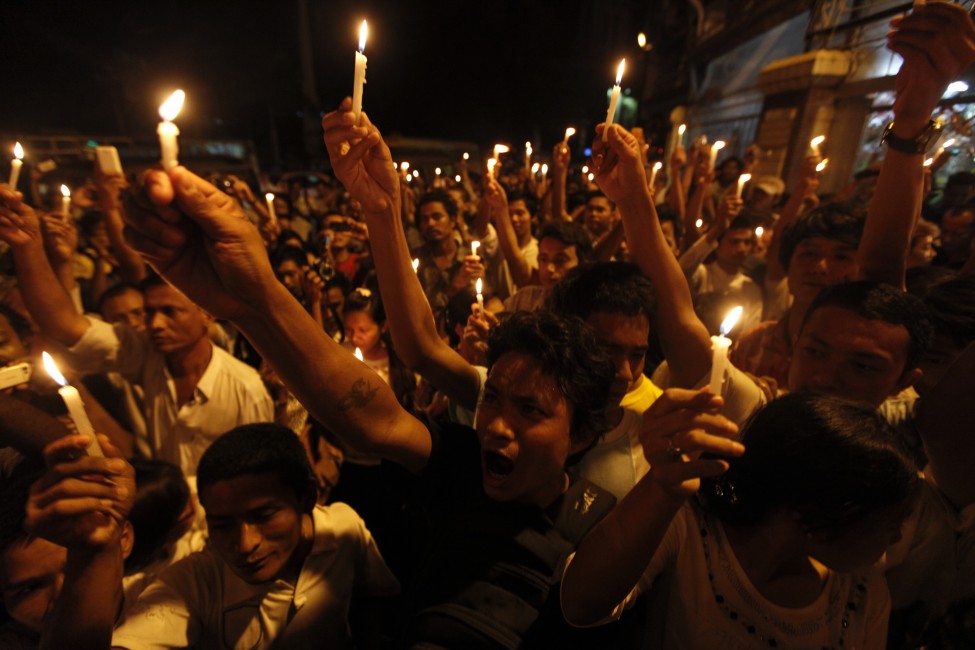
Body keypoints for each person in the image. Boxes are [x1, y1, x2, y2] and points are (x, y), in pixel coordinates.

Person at [115, 104, 620, 647]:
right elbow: (368, 415)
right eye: (492, 398)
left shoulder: (603, 528)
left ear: (584, 435)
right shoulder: (461, 465)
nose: (495, 425)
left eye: (530, 410)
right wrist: (252, 296)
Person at [561, 390, 919, 648]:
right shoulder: (692, 528)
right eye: (890, 524)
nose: (896, 539)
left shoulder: (862, 596)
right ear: (821, 515)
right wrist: (661, 487)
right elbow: (581, 605)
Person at [0, 190, 273, 478]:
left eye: (170, 312)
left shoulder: (246, 388)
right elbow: (64, 325)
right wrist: (27, 244)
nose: (155, 324)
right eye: (150, 312)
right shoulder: (147, 355)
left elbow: (261, 476)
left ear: (206, 313)